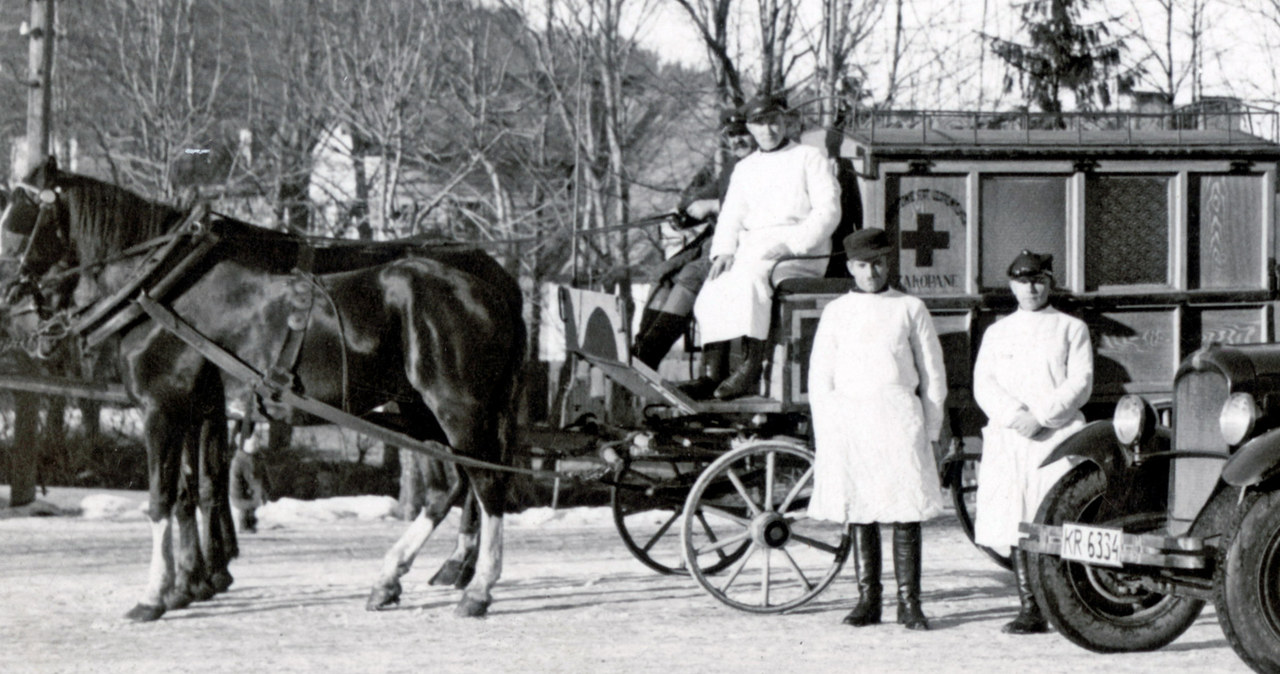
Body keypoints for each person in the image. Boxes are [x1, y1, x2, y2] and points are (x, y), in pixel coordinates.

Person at [807, 228, 948, 630]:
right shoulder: (836, 312)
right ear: (851, 267)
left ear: (889, 263)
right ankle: (869, 600)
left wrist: (932, 431)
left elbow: (932, 375)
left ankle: (910, 603)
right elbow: (820, 379)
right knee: (862, 509)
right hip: (851, 421)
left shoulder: (910, 308)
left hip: (898, 418)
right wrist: (828, 431)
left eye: (879, 263)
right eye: (863, 265)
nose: (871, 272)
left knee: (906, 511)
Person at [972, 250, 1093, 634]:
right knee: (1017, 521)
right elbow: (984, 385)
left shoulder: (1071, 329)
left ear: (1050, 283)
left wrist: (1041, 417)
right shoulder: (998, 332)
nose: (1031, 288)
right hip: (1012, 439)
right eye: (1023, 281)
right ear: (1011, 285)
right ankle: (1030, 607)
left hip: (1055, 437)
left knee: (1056, 516)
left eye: (1039, 280)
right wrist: (1014, 417)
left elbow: (1080, 383)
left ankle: (1064, 604)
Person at [690, 93, 841, 400]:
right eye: (760, 125)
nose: (768, 130)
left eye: (773, 121)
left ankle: (751, 367)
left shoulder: (809, 158)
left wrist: (793, 243)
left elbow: (828, 211)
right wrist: (723, 251)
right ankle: (711, 373)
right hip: (755, 247)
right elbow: (731, 215)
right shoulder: (746, 168)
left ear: (784, 121)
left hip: (801, 249)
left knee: (751, 278)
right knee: (716, 281)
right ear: (751, 128)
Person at [632, 107, 756, 398]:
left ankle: (652, 353)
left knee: (692, 273)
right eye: (731, 136)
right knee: (664, 272)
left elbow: (760, 211)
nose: (737, 141)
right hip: (715, 239)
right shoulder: (730, 167)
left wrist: (713, 208)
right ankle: (642, 350)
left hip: (745, 243)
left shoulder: (761, 165)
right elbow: (703, 197)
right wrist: (684, 214)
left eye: (742, 134)